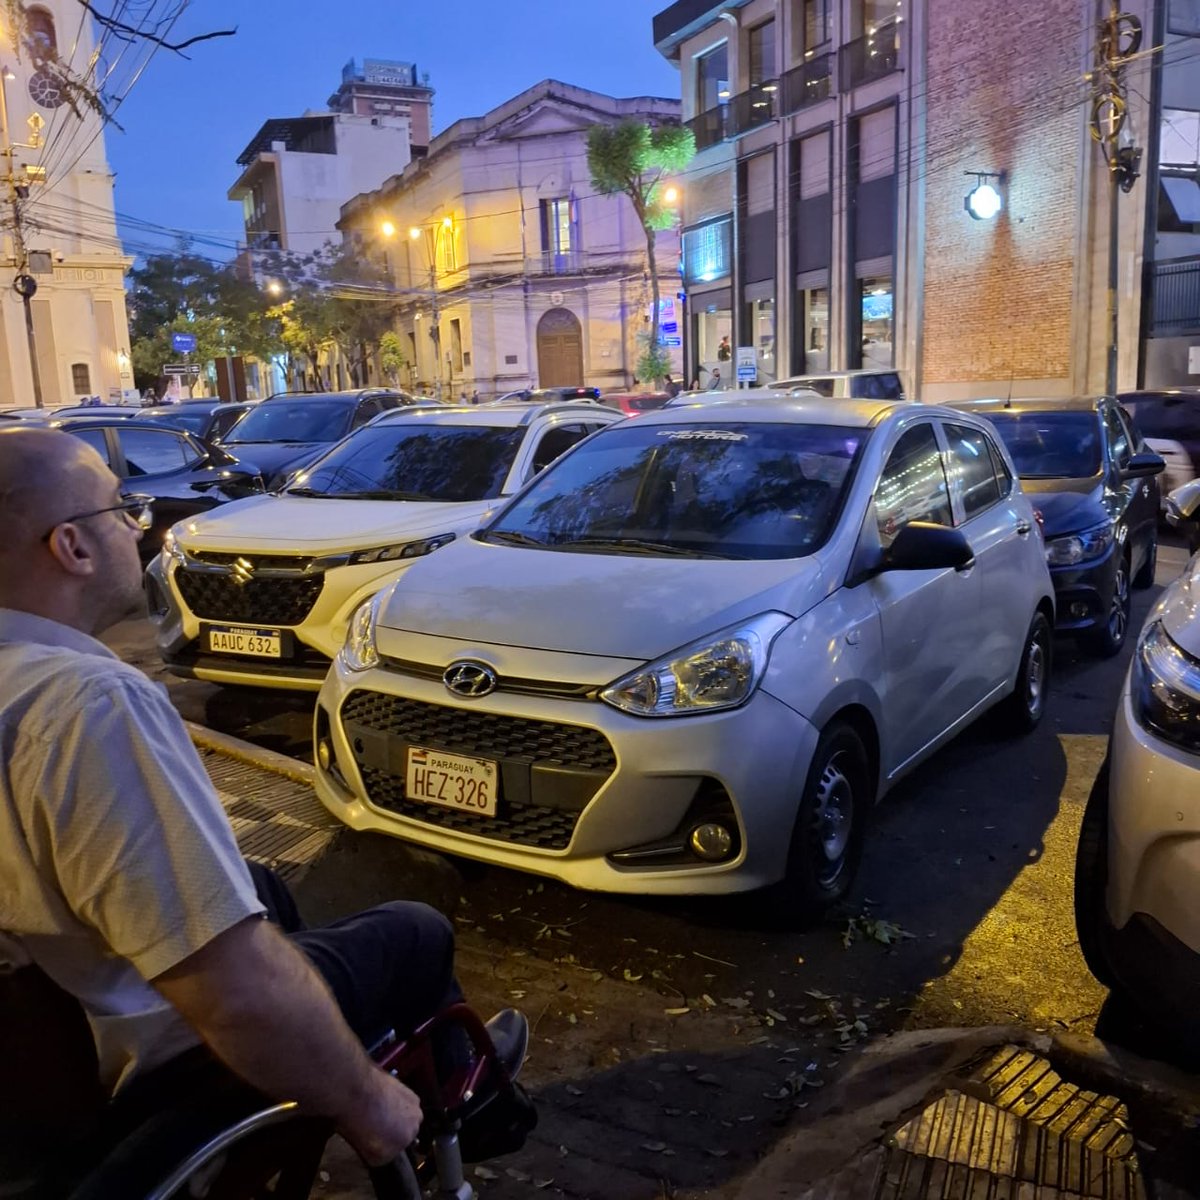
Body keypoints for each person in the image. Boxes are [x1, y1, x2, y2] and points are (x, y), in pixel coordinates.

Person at [0, 427, 501, 1175]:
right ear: (71, 546)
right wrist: (365, 1103)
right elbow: (230, 993)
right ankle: (474, 1118)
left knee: (259, 886)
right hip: (135, 1064)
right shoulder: (84, 706)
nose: (138, 528)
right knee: (414, 932)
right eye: (123, 509)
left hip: (33, 1048)